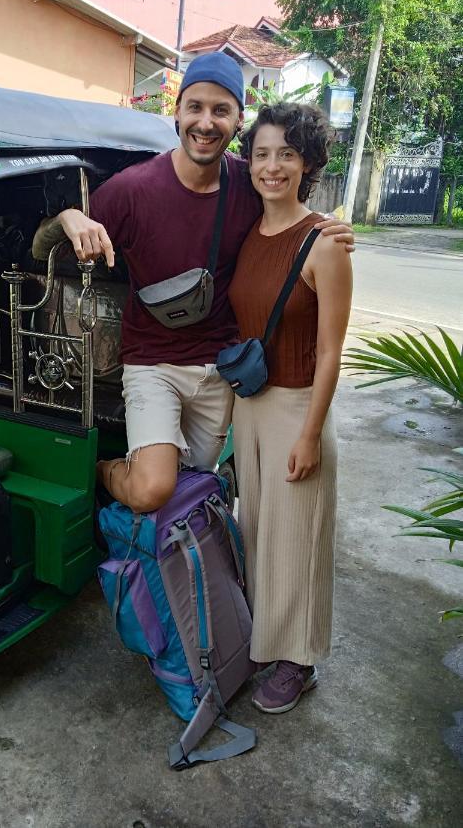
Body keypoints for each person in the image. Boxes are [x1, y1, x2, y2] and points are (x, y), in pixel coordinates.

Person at [34, 52, 354, 513]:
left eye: (220, 110)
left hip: (221, 367)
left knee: (193, 489)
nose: (206, 123)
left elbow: (290, 218)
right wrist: (68, 217)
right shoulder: (131, 190)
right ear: (177, 112)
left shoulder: (251, 182)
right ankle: (106, 469)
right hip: (152, 362)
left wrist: (330, 228)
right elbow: (39, 248)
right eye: (196, 107)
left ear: (238, 121)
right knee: (153, 489)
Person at [227, 102, 352, 714]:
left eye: (287, 154)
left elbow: (330, 353)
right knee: (259, 533)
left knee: (298, 539)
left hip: (299, 405)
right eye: (262, 153)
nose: (272, 166)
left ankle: (299, 661)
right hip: (250, 405)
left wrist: (310, 433)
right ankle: (266, 641)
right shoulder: (251, 230)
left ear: (308, 164)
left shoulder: (325, 243)